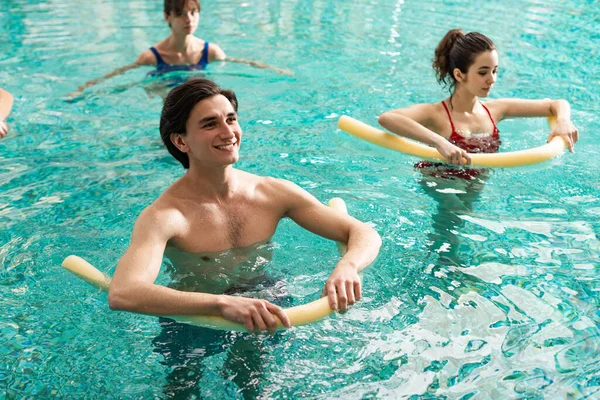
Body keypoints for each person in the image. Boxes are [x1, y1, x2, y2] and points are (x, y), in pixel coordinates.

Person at [108, 77, 381, 332]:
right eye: (210, 124)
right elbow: (124, 291)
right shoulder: (167, 216)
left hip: (264, 296)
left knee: (255, 382)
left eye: (231, 119)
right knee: (182, 383)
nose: (229, 133)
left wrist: (348, 266)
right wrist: (220, 304)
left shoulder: (271, 193)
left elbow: (363, 233)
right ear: (181, 141)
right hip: (194, 317)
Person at [378, 29, 579, 168]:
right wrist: (440, 142)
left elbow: (556, 103)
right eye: (483, 72)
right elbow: (387, 118)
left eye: (495, 71)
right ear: (459, 75)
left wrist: (562, 121)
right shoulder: (437, 114)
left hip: (475, 186)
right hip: (440, 182)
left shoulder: (497, 110)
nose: (491, 80)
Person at [70, 0, 292, 97]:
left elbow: (241, 63)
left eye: (193, 12)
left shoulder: (211, 51)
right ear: (167, 17)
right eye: (181, 14)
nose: (189, 19)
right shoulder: (152, 56)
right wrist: (85, 88)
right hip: (167, 93)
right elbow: (120, 74)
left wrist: (275, 70)